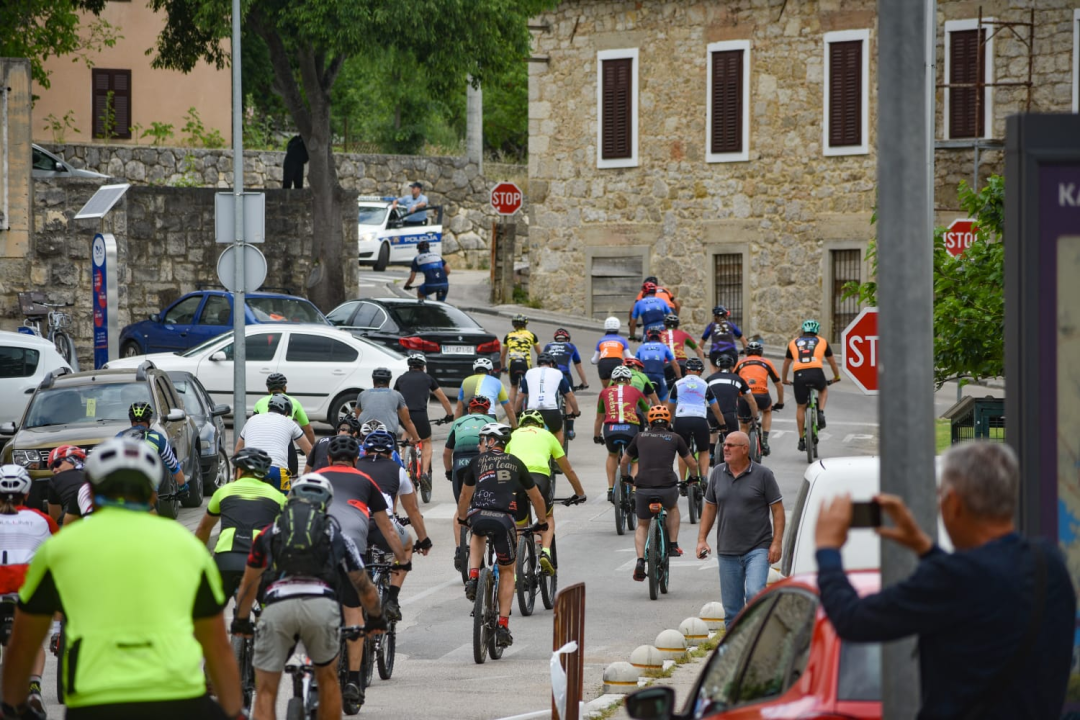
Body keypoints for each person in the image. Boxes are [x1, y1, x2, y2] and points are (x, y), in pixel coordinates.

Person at [813, 442, 1076, 720]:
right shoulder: (1048, 562)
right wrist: (924, 547)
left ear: (953, 503)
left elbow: (852, 619)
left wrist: (827, 548)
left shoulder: (954, 578)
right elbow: (984, 585)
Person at [2, 437, 242, 719]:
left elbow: (22, 645)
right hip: (177, 696)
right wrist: (235, 713)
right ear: (152, 495)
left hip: (96, 700)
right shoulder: (186, 546)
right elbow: (217, 647)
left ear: (89, 491)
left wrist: (13, 706)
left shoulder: (60, 549)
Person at [232, 474, 386, 719]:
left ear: (291, 499)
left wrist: (241, 621)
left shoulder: (269, 533)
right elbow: (364, 586)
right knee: (328, 679)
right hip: (321, 607)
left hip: (278, 607)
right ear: (326, 503)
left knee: (265, 690)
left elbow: (249, 584)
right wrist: (376, 619)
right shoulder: (337, 536)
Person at [317, 435, 407, 704]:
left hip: (313, 550)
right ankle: (355, 679)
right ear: (357, 460)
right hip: (351, 549)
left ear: (329, 459)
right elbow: (387, 528)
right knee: (354, 614)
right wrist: (402, 559)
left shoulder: (312, 478)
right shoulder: (365, 480)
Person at [456, 423, 549, 648]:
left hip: (479, 515)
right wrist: (543, 522)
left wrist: (462, 519)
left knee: (476, 530)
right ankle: (503, 626)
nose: (479, 445)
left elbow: (465, 496)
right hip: (505, 519)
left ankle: (474, 576)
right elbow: (536, 498)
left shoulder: (476, 463)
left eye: (482, 440)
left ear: (491, 442)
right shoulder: (516, 463)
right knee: (508, 571)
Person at [695, 431, 784, 625]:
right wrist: (702, 539)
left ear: (745, 449)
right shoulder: (718, 472)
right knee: (732, 610)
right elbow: (710, 507)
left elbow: (777, 510)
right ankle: (734, 652)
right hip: (727, 550)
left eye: (730, 445)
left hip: (758, 548)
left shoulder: (763, 475)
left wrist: (776, 542)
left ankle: (756, 640)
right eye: (725, 444)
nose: (725, 448)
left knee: (754, 593)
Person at [356, 430, 432, 623]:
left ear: (364, 451)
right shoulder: (397, 469)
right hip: (384, 524)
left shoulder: (354, 466)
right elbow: (413, 510)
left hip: (356, 523)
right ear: (391, 454)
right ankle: (392, 599)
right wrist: (424, 540)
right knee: (406, 547)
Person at [0, 465, 57, 716]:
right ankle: (33, 688)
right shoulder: (41, 519)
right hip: (27, 589)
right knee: (33, 644)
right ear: (27, 492)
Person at [194, 447, 285, 599]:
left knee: (211, 611)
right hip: (260, 560)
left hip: (226, 558)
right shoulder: (278, 497)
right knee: (265, 609)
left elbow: (204, 528)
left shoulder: (224, 491)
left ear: (240, 471)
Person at [619, 406, 699, 578]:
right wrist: (693, 479)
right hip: (667, 487)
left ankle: (640, 560)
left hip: (643, 488)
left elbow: (624, 460)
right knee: (672, 508)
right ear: (668, 422)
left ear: (650, 422)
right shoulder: (675, 437)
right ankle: (672, 544)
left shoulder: (639, 437)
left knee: (642, 524)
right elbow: (692, 463)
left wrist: (626, 477)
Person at [505, 410, 586, 575]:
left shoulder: (513, 435)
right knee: (548, 517)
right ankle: (546, 552)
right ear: (541, 424)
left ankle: (516, 573)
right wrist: (579, 493)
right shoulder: (548, 435)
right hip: (539, 478)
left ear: (521, 424)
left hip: (515, 479)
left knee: (520, 525)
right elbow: (567, 469)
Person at [444, 396, 496, 567]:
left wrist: (449, 471)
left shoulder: (458, 423)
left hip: (459, 462)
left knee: (461, 507)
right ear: (487, 411)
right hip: (480, 460)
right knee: (485, 504)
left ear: (468, 411)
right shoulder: (491, 420)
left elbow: (446, 453)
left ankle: (460, 549)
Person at [782, 319, 842, 452]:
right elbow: (832, 362)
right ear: (817, 331)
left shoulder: (793, 342)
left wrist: (784, 379)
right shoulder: (822, 341)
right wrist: (836, 377)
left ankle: (801, 439)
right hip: (816, 372)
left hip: (799, 374)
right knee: (823, 389)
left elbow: (786, 363)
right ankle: (820, 412)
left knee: (800, 406)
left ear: (803, 330)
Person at [235, 394, 314, 493]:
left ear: (269, 408)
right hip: (277, 471)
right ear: (286, 412)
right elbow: (310, 451)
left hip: (250, 470)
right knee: (282, 504)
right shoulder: (289, 423)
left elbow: (238, 450)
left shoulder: (251, 420)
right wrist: (307, 476)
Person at [593, 366, 650, 501]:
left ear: (613, 380)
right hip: (630, 428)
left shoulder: (604, 392)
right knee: (635, 460)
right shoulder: (636, 391)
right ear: (629, 380)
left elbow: (599, 418)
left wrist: (596, 436)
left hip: (610, 429)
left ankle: (610, 488)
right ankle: (635, 491)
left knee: (613, 455)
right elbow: (648, 414)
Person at [394, 352, 454, 479]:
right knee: (426, 441)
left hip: (403, 415)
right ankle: (425, 473)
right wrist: (449, 415)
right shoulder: (428, 379)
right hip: (420, 415)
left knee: (407, 434)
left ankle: (403, 467)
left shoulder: (401, 379)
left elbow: (394, 397)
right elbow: (444, 400)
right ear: (423, 366)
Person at [667, 357, 725, 482]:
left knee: (683, 451)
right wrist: (722, 424)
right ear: (700, 371)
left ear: (686, 370)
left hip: (681, 419)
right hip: (699, 419)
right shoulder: (705, 384)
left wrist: (667, 425)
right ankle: (704, 477)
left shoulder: (678, 384)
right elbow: (716, 408)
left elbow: (670, 409)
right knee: (703, 450)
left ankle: (682, 481)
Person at [120, 401, 188, 498]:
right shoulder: (157, 438)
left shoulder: (120, 436)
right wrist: (183, 487)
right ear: (149, 420)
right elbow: (173, 466)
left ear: (131, 420)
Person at [516, 352, 580, 447]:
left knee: (529, 435)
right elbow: (570, 396)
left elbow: (520, 397)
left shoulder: (529, 373)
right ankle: (556, 458)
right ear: (551, 364)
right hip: (551, 411)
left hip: (532, 412)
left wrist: (516, 412)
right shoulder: (558, 373)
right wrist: (576, 412)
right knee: (558, 432)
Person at [735, 339, 785, 455]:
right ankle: (765, 441)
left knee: (743, 424)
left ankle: (741, 449)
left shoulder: (741, 362)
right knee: (767, 411)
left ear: (747, 353)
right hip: (762, 395)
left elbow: (733, 381)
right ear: (761, 353)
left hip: (745, 396)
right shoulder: (766, 362)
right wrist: (780, 402)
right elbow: (779, 385)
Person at [354, 367, 421, 444]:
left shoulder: (362, 394)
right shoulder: (396, 395)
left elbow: (358, 416)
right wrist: (416, 438)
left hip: (366, 434)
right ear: (389, 381)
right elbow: (407, 421)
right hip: (388, 435)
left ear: (373, 381)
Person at [253, 373, 317, 446]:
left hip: (261, 440)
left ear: (268, 389)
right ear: (285, 388)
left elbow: (252, 426)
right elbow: (308, 430)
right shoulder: (294, 402)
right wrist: (312, 450)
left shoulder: (259, 402)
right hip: (283, 439)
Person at [704, 354, 750, 455]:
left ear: (717, 367)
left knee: (713, 431)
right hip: (729, 414)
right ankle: (732, 458)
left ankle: (711, 454)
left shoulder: (709, 379)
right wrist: (755, 416)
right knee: (733, 439)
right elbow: (751, 400)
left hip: (711, 413)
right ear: (732, 366)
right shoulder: (738, 379)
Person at [456, 357, 517, 428]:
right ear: (490, 371)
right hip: (489, 416)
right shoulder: (497, 382)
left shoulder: (465, 381)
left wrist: (454, 430)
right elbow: (509, 409)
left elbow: (459, 409)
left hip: (470, 417)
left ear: (474, 371)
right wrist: (514, 427)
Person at [500, 315, 540, 408]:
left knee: (514, 387)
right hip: (525, 363)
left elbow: (502, 355)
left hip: (513, 363)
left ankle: (511, 413)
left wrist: (503, 367)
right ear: (525, 324)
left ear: (514, 325)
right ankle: (529, 410)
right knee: (528, 387)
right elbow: (540, 353)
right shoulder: (531, 335)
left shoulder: (508, 336)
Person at [658, 313, 705, 388]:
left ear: (665, 325)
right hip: (683, 364)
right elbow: (700, 351)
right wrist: (701, 368)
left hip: (666, 364)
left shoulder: (659, 334)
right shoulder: (683, 334)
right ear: (677, 325)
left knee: (665, 391)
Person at [45, 444, 87, 525]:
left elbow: (54, 519)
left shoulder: (55, 480)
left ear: (74, 460)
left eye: (56, 464)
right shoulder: (95, 474)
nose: (54, 470)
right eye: (52, 468)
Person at [636, 328, 681, 402]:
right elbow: (675, 364)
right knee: (665, 402)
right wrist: (679, 378)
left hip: (644, 377)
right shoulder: (663, 347)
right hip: (659, 376)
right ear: (660, 338)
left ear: (648, 337)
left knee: (644, 402)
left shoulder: (642, 347)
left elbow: (636, 364)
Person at [593, 317, 633, 388]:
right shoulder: (622, 340)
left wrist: (593, 361)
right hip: (617, 362)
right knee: (619, 386)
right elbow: (629, 356)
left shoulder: (601, 340)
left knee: (606, 388)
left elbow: (594, 360)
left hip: (603, 364)